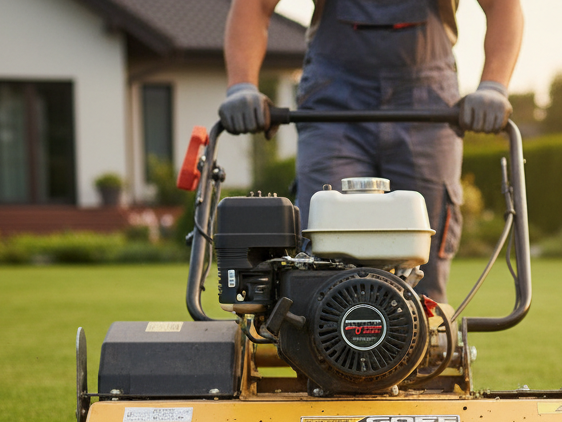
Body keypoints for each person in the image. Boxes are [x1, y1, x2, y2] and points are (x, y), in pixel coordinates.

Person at [220, 0, 523, 302]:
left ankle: (426, 339)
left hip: (427, 102)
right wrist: (242, 86)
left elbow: (502, 6)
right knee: (323, 253)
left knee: (422, 259)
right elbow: (254, 5)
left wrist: (493, 85)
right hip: (333, 102)